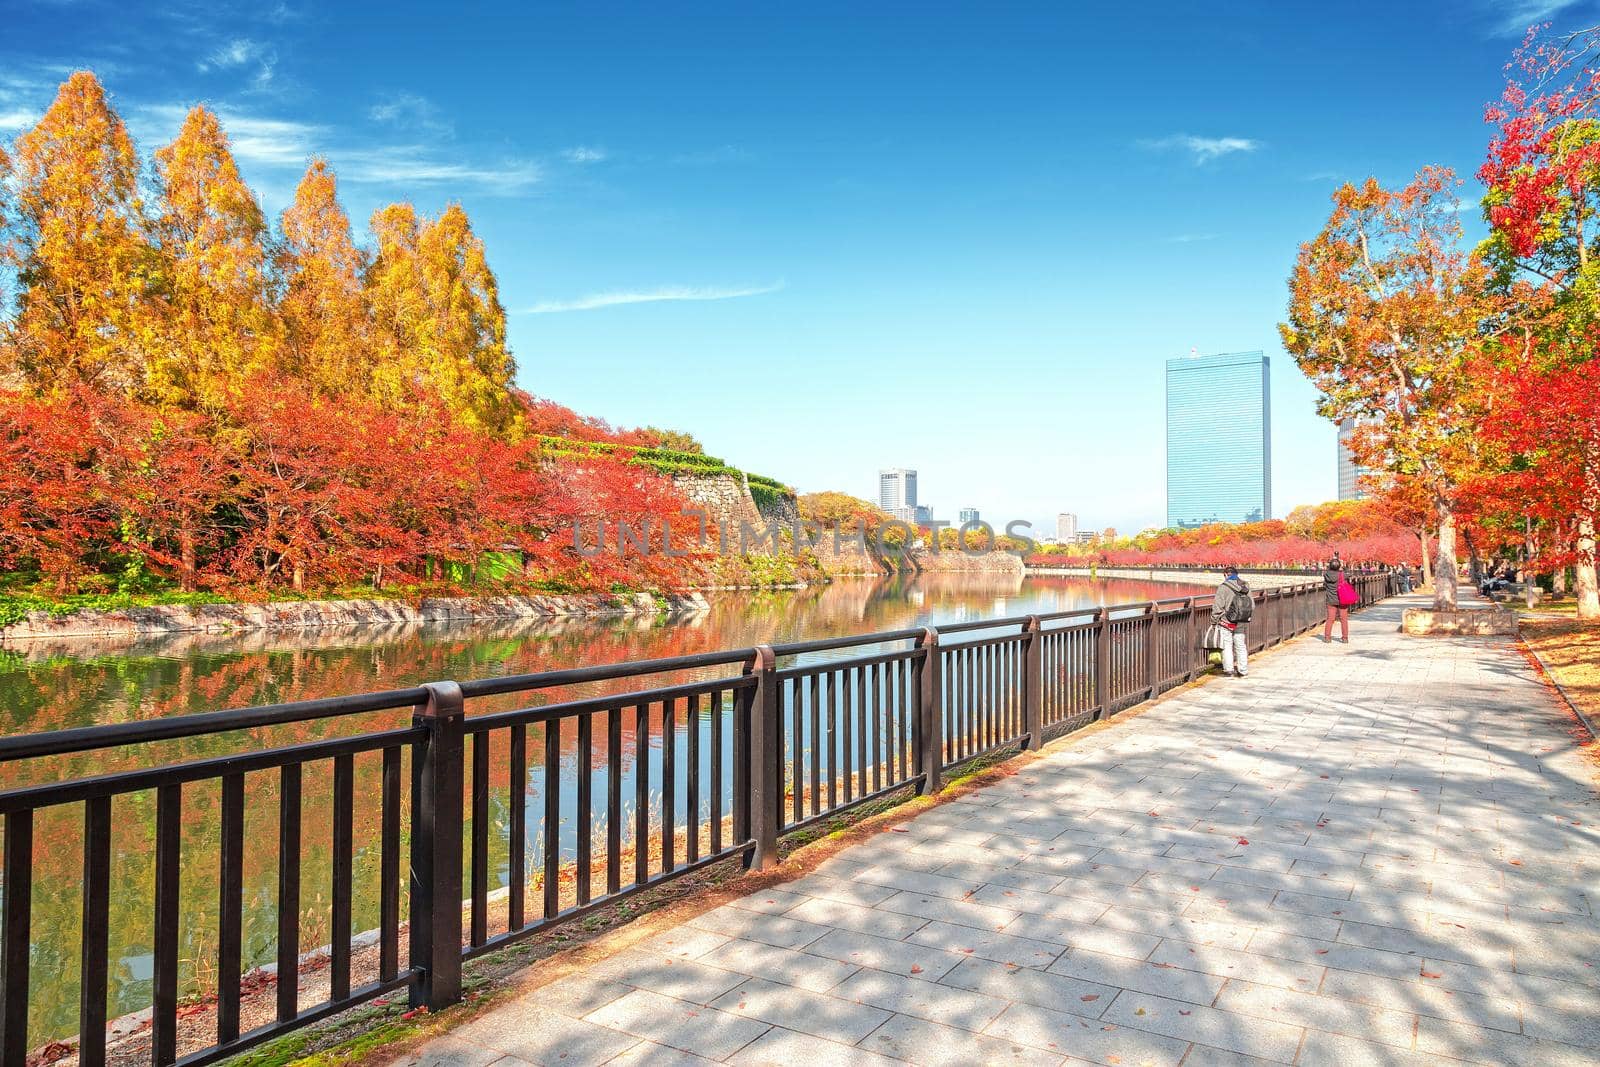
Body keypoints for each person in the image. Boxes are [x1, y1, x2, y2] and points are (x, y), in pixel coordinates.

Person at [1210, 565, 1253, 677]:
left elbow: (1217, 607)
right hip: (1242, 620)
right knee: (1240, 645)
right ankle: (1243, 670)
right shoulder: (1245, 585)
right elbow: (1252, 605)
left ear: (1225, 575)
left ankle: (1229, 670)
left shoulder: (1223, 587)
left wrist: (1214, 621)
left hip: (1226, 621)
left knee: (1227, 645)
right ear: (1236, 574)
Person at [1323, 558, 1351, 643]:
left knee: (1330, 619)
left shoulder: (1326, 574)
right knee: (1344, 619)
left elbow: (1327, 572)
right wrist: (1344, 568)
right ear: (1339, 566)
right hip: (1342, 599)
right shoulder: (1342, 575)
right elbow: (1349, 574)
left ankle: (1327, 637)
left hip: (1331, 599)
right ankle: (1345, 638)